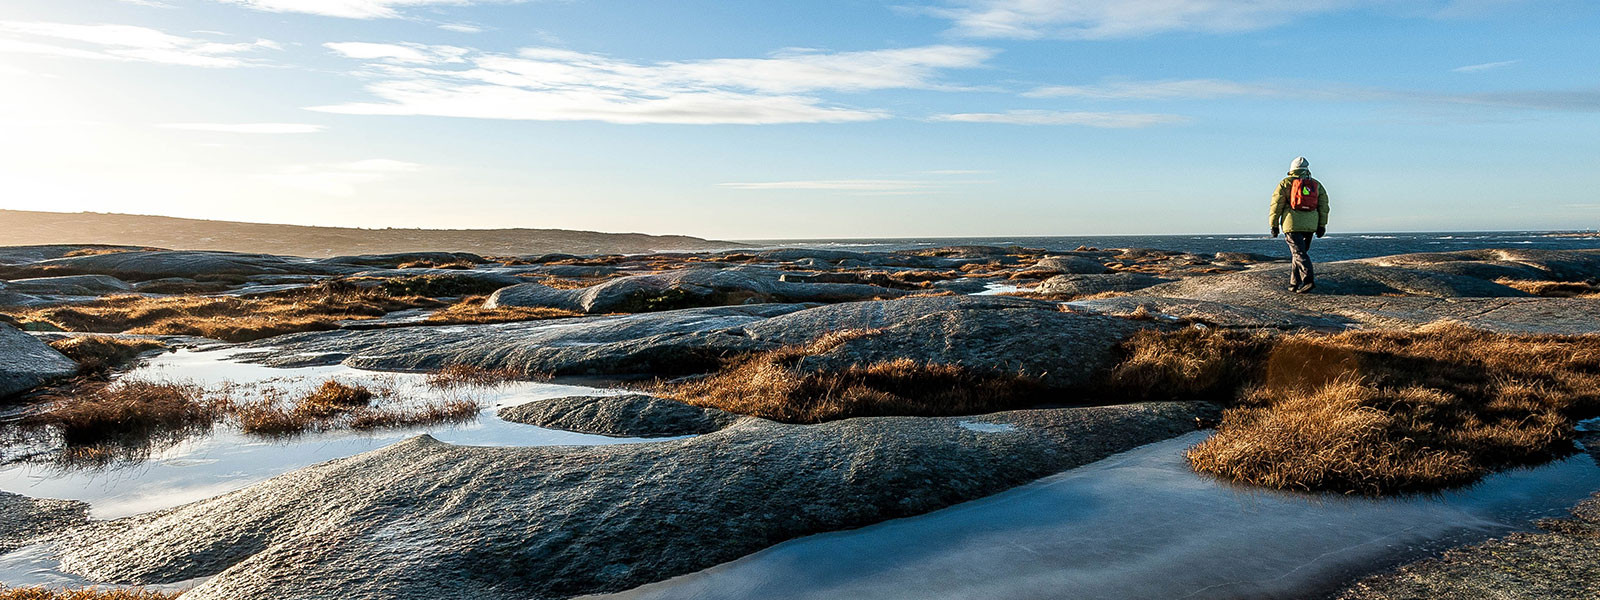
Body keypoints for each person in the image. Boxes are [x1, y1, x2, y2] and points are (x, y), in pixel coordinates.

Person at [1270, 156, 1330, 293]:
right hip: (1310, 225)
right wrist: (1322, 225)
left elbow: (1276, 206)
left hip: (1292, 224)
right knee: (1299, 254)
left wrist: (1274, 225)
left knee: (1298, 253)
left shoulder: (1285, 183)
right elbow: (1324, 206)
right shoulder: (1316, 185)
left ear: (1292, 169)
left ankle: (1308, 280)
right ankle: (1294, 283)